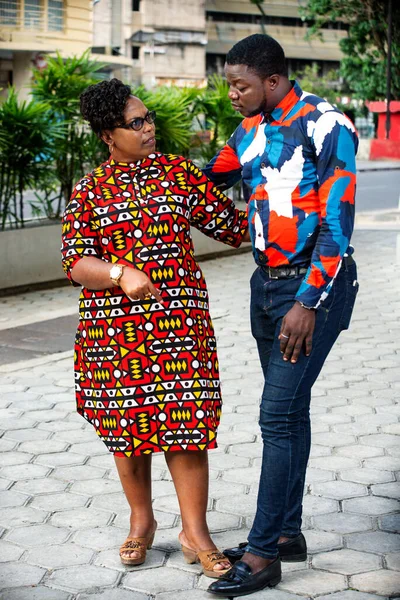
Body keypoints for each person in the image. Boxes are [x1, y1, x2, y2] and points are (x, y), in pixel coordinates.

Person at [60, 78, 248, 576]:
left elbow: (233, 228)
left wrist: (286, 195)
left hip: (180, 326)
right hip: (114, 334)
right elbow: (75, 263)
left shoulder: (179, 174)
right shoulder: (87, 191)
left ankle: (196, 532)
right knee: (129, 429)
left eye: (149, 119)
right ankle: (141, 522)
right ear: (108, 135)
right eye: (136, 123)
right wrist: (120, 273)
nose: (149, 128)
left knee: (188, 427)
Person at [203, 34, 359, 597]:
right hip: (263, 288)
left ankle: (265, 552)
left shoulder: (326, 125)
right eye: (228, 85)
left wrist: (307, 304)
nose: (232, 96)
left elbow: (338, 229)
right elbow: (207, 180)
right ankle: (288, 533)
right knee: (290, 413)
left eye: (240, 85)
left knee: (275, 415)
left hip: (311, 294)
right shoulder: (246, 131)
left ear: (273, 80)